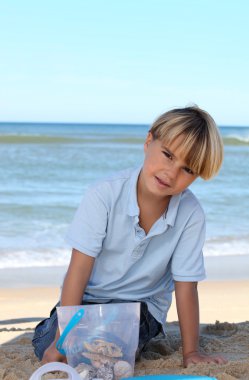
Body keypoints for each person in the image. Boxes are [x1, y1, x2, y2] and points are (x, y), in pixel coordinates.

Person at [32, 106, 227, 367]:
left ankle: (119, 345)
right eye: (168, 155)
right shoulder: (104, 195)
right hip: (90, 300)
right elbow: (78, 270)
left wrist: (190, 352)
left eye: (187, 170)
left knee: (107, 352)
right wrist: (61, 339)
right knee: (48, 342)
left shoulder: (191, 214)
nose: (172, 172)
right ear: (149, 142)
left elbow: (186, 285)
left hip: (142, 307)